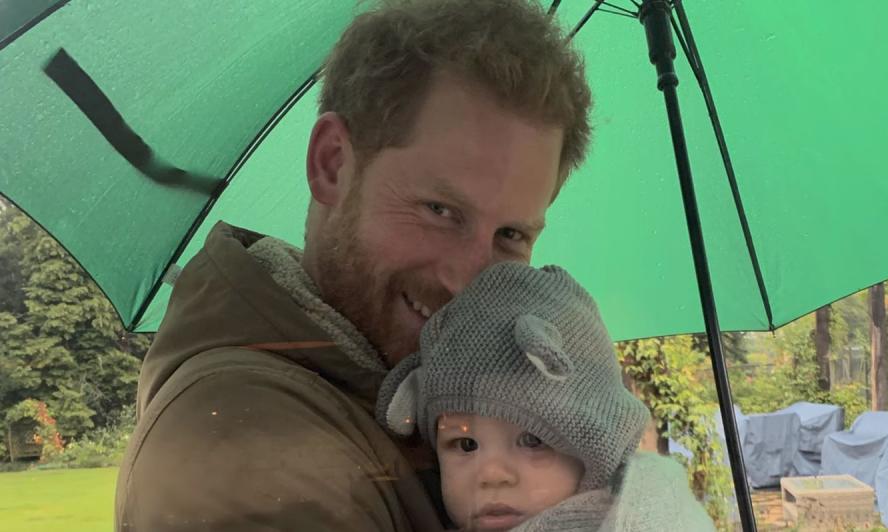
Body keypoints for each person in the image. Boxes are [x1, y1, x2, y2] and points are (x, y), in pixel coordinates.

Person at [114, 0, 591, 530]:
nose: (468, 283)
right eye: (441, 211)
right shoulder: (256, 453)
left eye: (511, 235)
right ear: (332, 164)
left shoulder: (409, 402)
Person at [377, 262, 716, 531]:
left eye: (533, 440)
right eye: (466, 445)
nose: (492, 474)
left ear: (597, 446)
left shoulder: (638, 519)